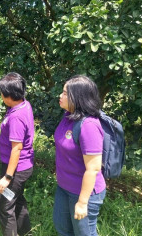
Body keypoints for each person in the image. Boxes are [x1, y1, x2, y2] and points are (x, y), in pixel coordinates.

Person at [53, 75, 106, 236]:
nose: (60, 96)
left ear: (77, 97)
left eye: (64, 93)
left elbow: (93, 168)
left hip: (84, 193)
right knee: (63, 229)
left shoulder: (88, 125)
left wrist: (82, 202)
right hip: (64, 187)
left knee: (84, 233)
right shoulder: (68, 116)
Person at [0, 72, 35, 236]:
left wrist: (7, 177)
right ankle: (26, 232)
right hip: (23, 166)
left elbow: (16, 148)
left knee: (5, 207)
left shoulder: (16, 117)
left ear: (8, 95)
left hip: (16, 170)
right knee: (16, 200)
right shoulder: (23, 105)